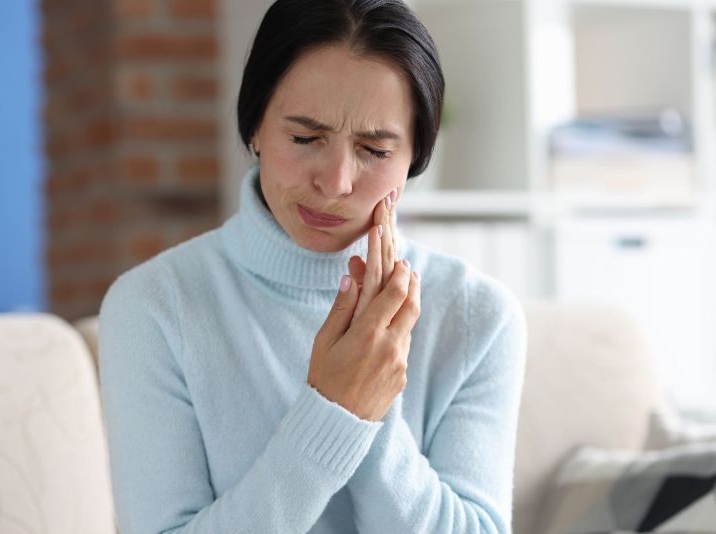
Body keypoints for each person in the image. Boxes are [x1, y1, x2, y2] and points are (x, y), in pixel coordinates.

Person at [98, 0, 527, 532]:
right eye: (304, 139)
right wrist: (336, 410)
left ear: (414, 158)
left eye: (374, 149)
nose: (336, 182)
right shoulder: (154, 307)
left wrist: (369, 404)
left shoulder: (478, 315)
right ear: (255, 128)